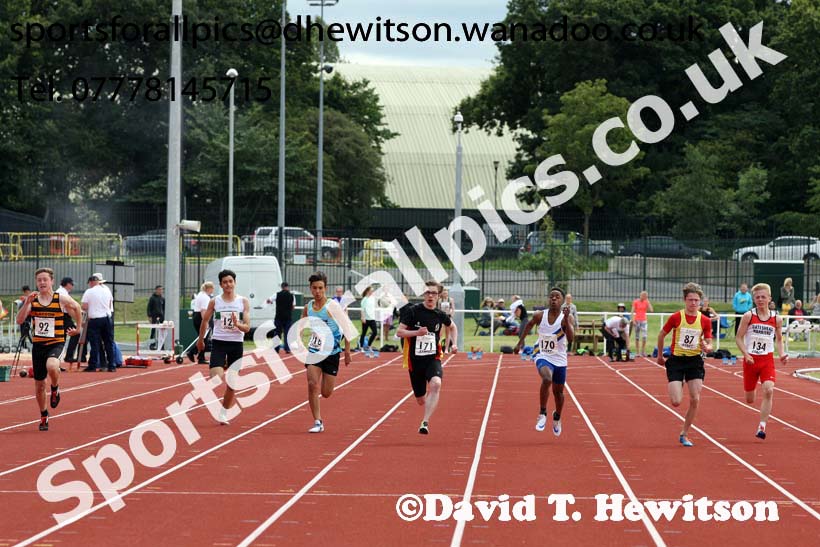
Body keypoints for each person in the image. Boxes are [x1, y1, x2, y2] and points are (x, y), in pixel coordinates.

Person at [15, 268, 82, 431]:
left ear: (52, 281)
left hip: (56, 342)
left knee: (52, 366)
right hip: (38, 345)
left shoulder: (60, 298)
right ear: (36, 282)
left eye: (45, 279)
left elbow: (77, 307)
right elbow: (19, 320)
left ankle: (55, 387)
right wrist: (27, 303)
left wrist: (78, 328)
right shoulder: (33, 300)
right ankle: (44, 415)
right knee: (39, 385)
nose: (42, 282)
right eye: (39, 280)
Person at [656, 282, 713, 447]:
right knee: (676, 402)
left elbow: (709, 342)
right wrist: (660, 356)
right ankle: (679, 381)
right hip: (676, 361)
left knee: (695, 399)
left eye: (696, 300)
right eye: (690, 300)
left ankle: (684, 433)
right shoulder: (676, 317)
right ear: (685, 300)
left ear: (700, 301)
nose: (693, 303)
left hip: (694, 361)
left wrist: (707, 347)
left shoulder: (705, 320)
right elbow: (661, 335)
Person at [397, 280, 457, 435]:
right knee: (420, 400)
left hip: (433, 358)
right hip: (415, 361)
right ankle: (422, 398)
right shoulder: (413, 311)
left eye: (434, 293)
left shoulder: (440, 314)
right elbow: (399, 332)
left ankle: (425, 422)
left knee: (436, 384)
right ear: (424, 294)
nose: (430, 296)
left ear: (438, 296)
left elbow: (452, 327)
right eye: (428, 293)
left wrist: (454, 344)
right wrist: (417, 333)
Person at [514, 287, 574, 437]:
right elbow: (528, 325)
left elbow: (571, 338)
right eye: (551, 296)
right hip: (542, 354)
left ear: (562, 301)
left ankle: (557, 417)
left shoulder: (567, 317)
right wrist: (520, 343)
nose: (554, 299)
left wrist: (566, 320)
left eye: (557, 297)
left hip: (559, 359)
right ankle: (542, 413)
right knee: (547, 379)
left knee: (558, 392)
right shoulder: (540, 315)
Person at [196, 270, 251, 425]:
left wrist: (237, 324)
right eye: (225, 282)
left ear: (235, 283)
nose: (228, 284)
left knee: (232, 384)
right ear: (220, 285)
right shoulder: (215, 302)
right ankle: (222, 365)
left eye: (230, 281)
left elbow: (247, 327)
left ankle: (223, 413)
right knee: (216, 377)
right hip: (219, 342)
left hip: (236, 344)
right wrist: (201, 340)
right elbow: (205, 321)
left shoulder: (243, 302)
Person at [735, 283, 788, 440]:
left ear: (769, 298)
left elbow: (779, 340)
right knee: (749, 399)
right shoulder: (748, 316)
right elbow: (738, 338)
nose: (760, 299)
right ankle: (754, 387)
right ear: (753, 299)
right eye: (757, 297)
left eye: (763, 297)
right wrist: (745, 354)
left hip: (767, 360)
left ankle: (762, 426)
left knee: (769, 390)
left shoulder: (776, 319)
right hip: (750, 361)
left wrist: (782, 354)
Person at [301, 271, 351, 433]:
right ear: (310, 288)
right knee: (312, 384)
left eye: (320, 288)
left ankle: (319, 417)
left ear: (325, 288)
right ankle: (318, 421)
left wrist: (347, 352)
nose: (317, 291)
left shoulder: (332, 307)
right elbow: (301, 325)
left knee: (326, 393)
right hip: (314, 351)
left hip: (332, 353)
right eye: (315, 288)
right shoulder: (308, 307)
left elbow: (347, 327)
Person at [81, 273, 115, 372]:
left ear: (91, 282)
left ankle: (93, 365)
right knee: (108, 342)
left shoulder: (89, 292)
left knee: (94, 343)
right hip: (107, 318)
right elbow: (110, 304)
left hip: (95, 319)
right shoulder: (107, 290)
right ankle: (111, 365)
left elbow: (84, 306)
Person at [188, 281, 215, 364]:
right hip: (201, 318)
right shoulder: (205, 297)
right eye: (212, 288)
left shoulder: (200, 294)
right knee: (204, 338)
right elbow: (203, 311)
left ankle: (200, 356)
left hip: (197, 317)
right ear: (209, 288)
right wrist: (206, 322)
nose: (213, 290)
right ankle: (193, 352)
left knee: (202, 338)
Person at [56, 277, 80, 365]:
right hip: (63, 317)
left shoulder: (62, 291)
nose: (72, 286)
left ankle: (60, 360)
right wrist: (78, 319)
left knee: (62, 338)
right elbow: (69, 308)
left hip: (63, 317)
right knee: (75, 333)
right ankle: (68, 356)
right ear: (68, 284)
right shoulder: (62, 293)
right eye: (72, 284)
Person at [273, 282, 294, 354]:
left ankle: (276, 349)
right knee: (287, 333)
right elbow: (293, 306)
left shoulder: (276, 294)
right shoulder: (292, 295)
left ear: (281, 287)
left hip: (278, 317)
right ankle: (287, 349)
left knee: (277, 333)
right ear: (287, 287)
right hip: (288, 317)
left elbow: (269, 300)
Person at [631, 291, 653, 357]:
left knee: (644, 336)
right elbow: (632, 311)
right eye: (643, 296)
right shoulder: (636, 302)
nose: (644, 297)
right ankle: (637, 352)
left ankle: (643, 351)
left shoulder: (646, 302)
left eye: (646, 296)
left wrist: (648, 301)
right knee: (637, 336)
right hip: (637, 320)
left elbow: (651, 310)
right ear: (641, 295)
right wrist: (633, 320)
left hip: (644, 320)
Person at [438, 288, 456, 352]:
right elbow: (439, 309)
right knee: (440, 333)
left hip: (448, 317)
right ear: (442, 294)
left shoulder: (450, 300)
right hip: (442, 318)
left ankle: (446, 349)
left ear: (447, 293)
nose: (445, 293)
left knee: (447, 334)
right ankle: (439, 348)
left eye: (446, 292)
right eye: (444, 292)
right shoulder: (440, 300)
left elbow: (453, 308)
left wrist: (451, 315)